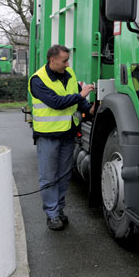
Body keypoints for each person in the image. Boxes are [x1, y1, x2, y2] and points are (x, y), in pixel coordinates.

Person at [29, 44, 95, 231]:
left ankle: (59, 210)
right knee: (49, 177)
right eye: (64, 60)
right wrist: (80, 95)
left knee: (64, 176)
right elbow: (56, 103)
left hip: (67, 134)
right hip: (48, 136)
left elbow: (77, 101)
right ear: (52, 60)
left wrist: (88, 108)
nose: (67, 64)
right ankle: (51, 214)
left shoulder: (70, 74)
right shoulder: (38, 79)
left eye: (68, 60)